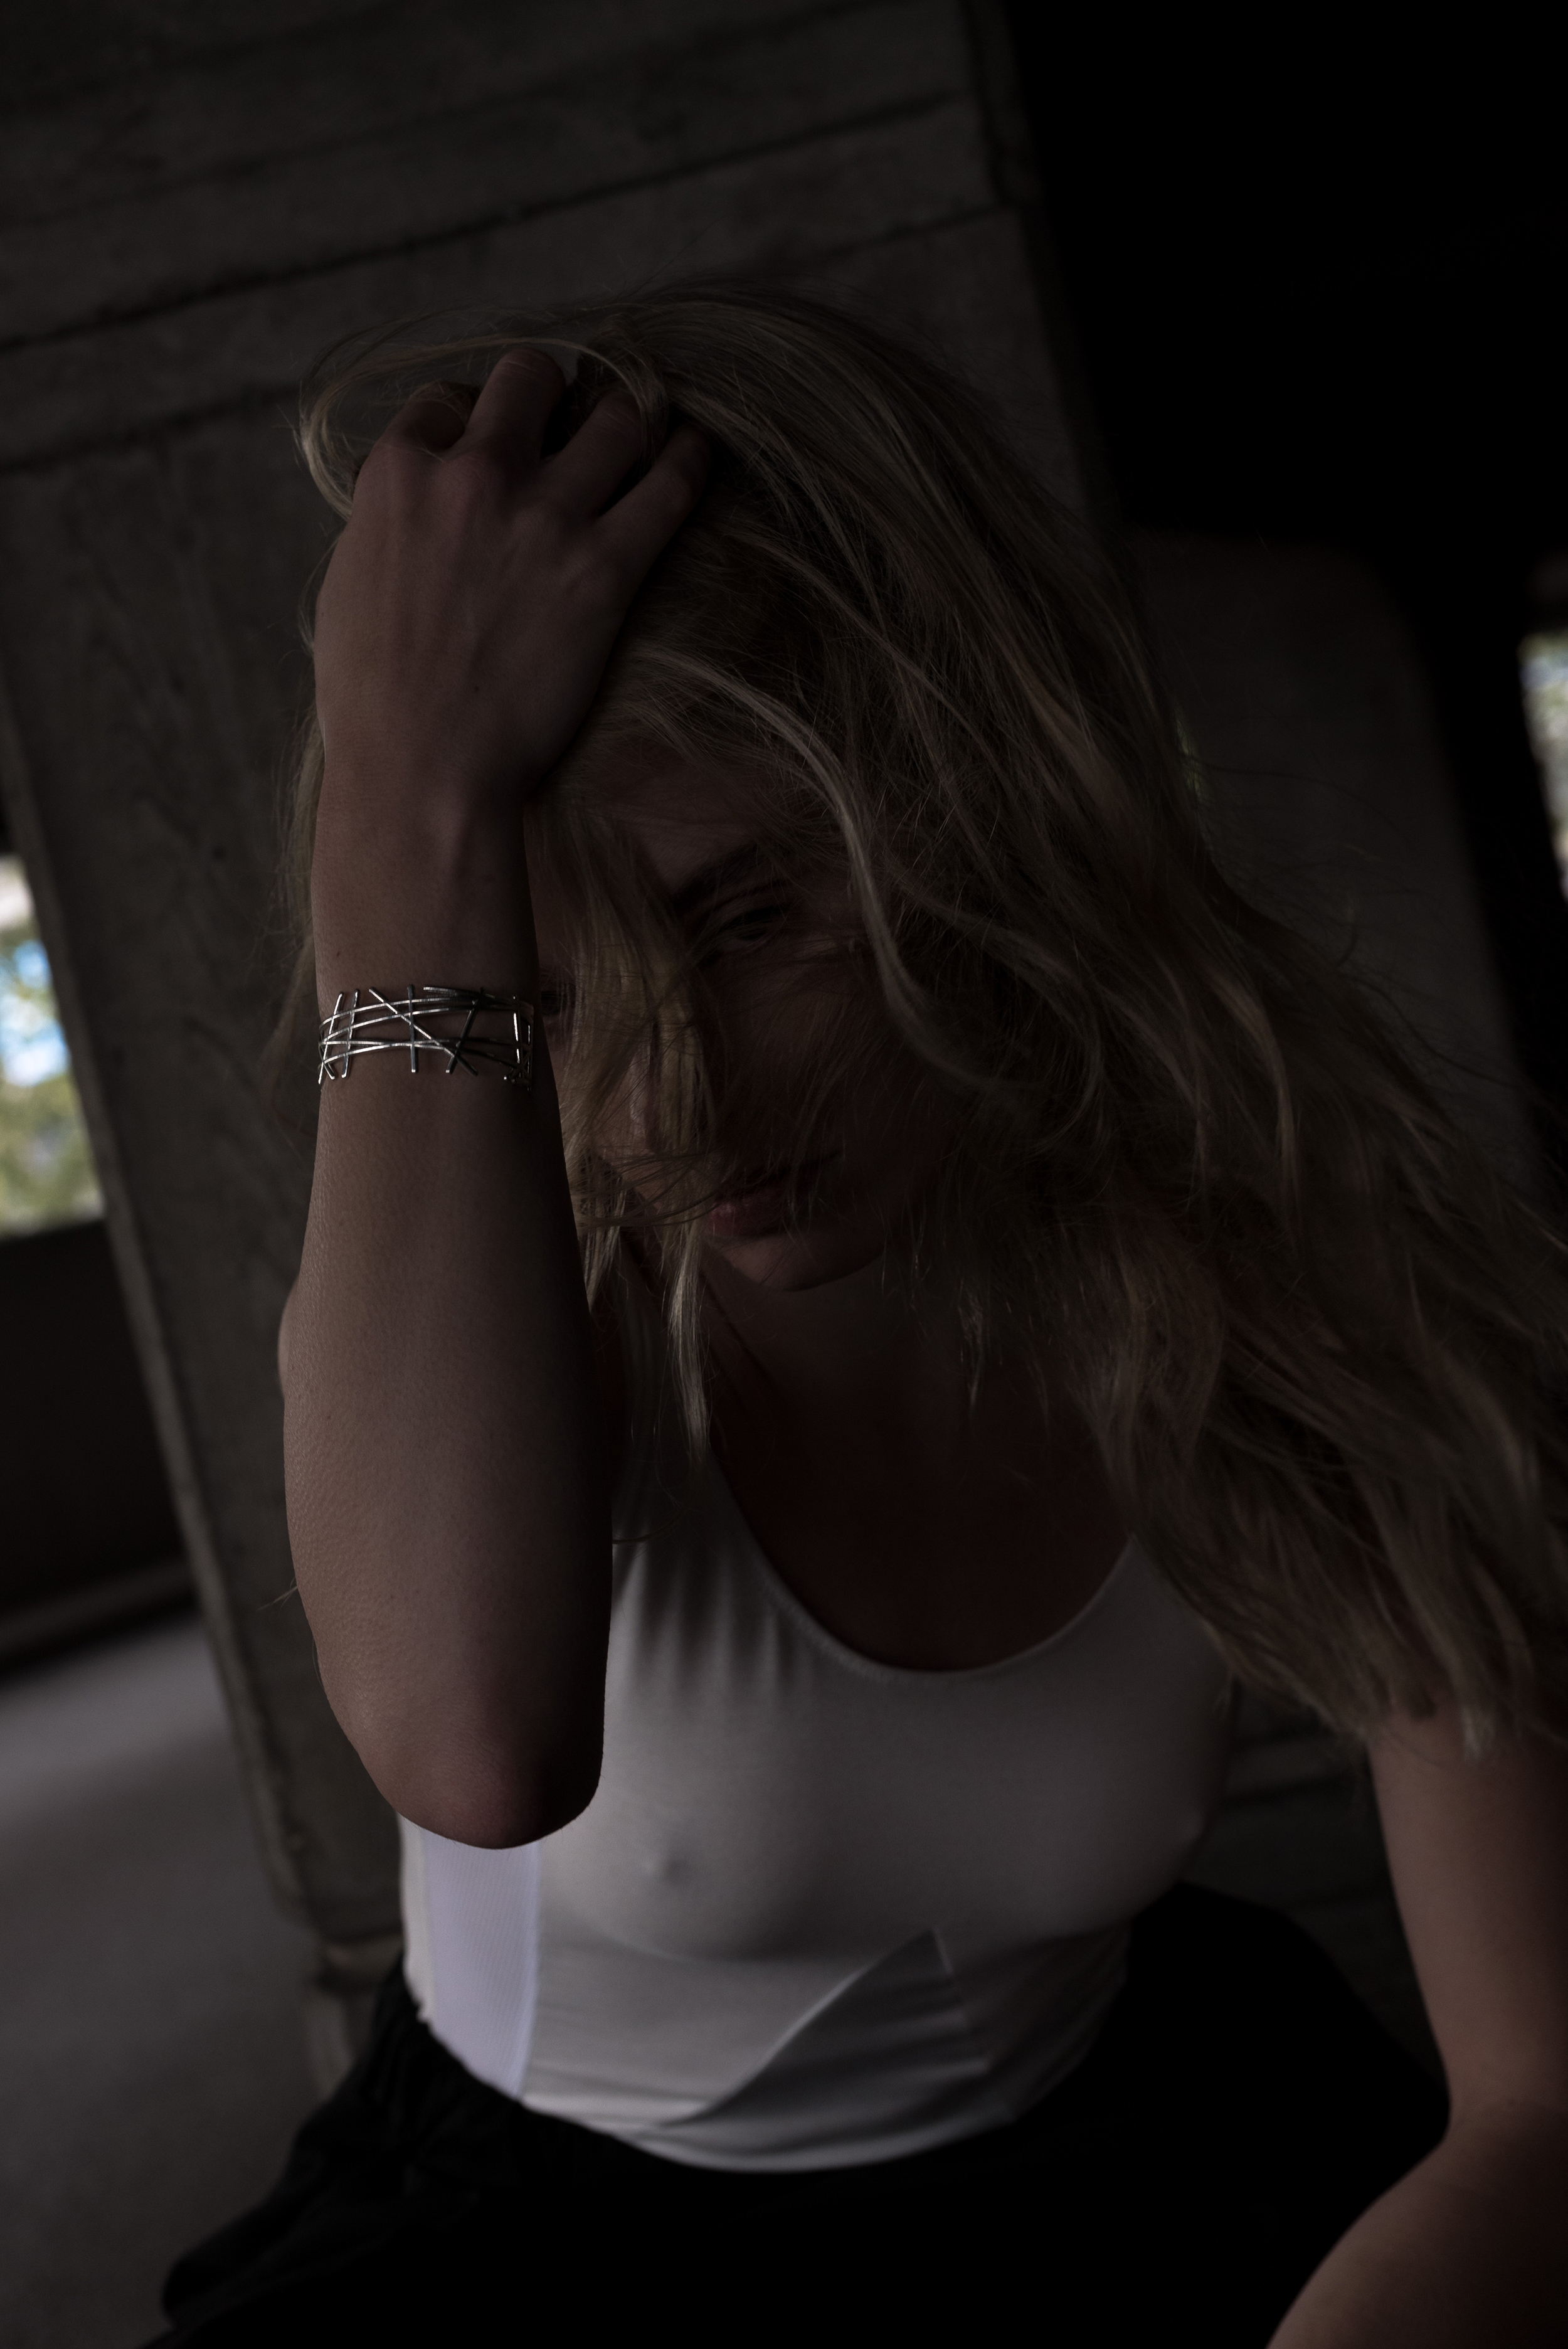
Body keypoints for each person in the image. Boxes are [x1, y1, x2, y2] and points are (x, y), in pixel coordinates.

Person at [152, 286, 1568, 2346]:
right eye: (548, 994)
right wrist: (399, 801)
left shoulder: (1301, 1265)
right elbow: (470, 1741)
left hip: (1137, 2154)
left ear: (971, 807)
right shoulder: (508, 1272)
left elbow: (1536, 2105)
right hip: (546, 2229)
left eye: (748, 919)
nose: (672, 1108)